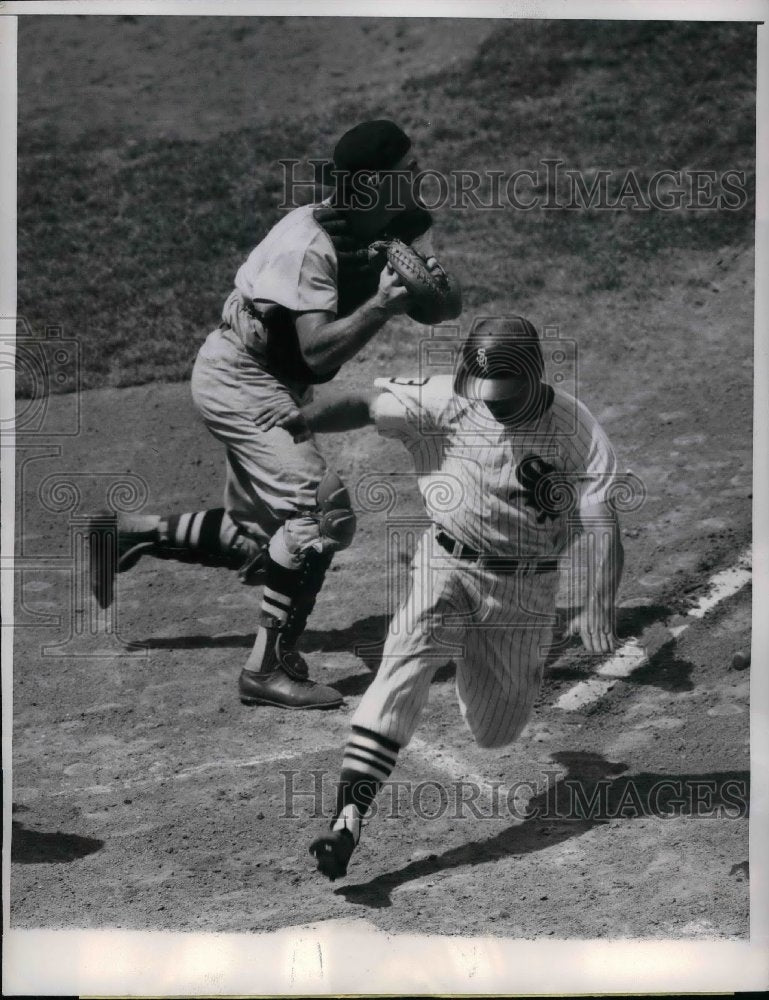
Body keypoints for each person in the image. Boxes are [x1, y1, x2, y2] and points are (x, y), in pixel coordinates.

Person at [89, 119, 460, 711]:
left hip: (276, 384)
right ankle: (267, 669)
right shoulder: (307, 245)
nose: (420, 176)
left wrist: (429, 292)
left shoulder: (393, 222)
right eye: (407, 171)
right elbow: (316, 352)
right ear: (372, 185)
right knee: (320, 517)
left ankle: (130, 534)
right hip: (243, 378)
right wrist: (381, 306)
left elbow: (436, 306)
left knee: (262, 536)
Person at [280, 316, 625, 878]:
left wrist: (598, 600)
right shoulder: (448, 400)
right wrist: (304, 420)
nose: (492, 402)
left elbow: (603, 523)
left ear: (535, 374)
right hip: (445, 564)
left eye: (504, 392)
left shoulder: (576, 431)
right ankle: (347, 819)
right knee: (401, 667)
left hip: (522, 591)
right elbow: (366, 404)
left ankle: (472, 650)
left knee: (495, 731)